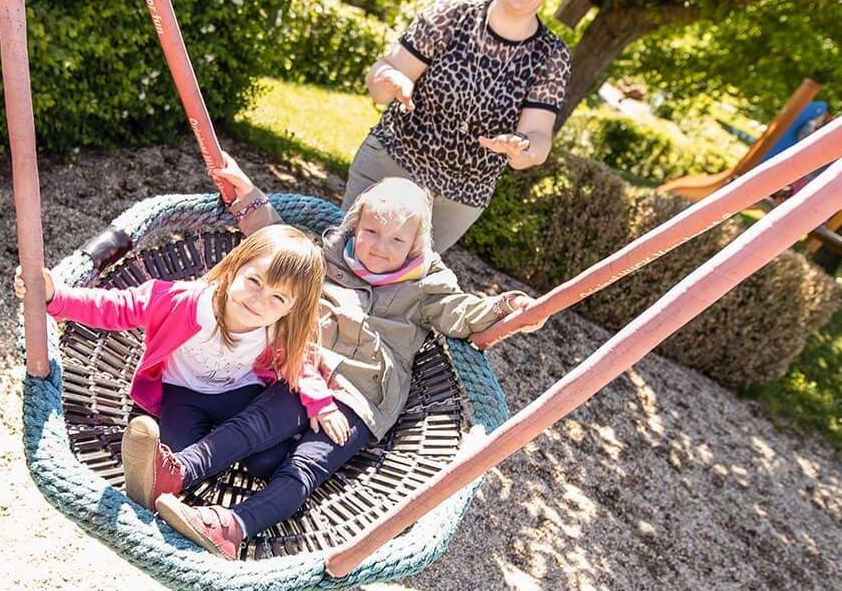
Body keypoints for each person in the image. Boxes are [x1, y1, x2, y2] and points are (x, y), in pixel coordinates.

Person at [126, 156, 542, 559]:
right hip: (306, 369)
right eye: (372, 232)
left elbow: (462, 313)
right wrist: (248, 195)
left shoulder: (426, 287)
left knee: (306, 469)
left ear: (416, 245)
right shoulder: (328, 258)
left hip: (362, 395)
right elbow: (276, 243)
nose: (380, 247)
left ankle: (232, 527)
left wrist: (504, 309)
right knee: (258, 423)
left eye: (397, 240)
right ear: (355, 224)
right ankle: (178, 470)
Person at [16, 225, 334, 507]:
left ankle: (253, 460)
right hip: (184, 394)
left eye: (278, 298)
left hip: (240, 393)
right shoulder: (181, 302)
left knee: (268, 462)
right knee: (173, 457)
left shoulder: (279, 329)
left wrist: (319, 402)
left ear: (291, 308)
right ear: (235, 267)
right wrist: (55, 297)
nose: (259, 300)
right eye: (254, 281)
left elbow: (301, 359)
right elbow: (115, 307)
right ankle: (204, 461)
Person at [348, 0, 578, 254]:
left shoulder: (551, 56)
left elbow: (539, 137)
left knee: (392, 296)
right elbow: (380, 81)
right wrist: (391, 80)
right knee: (340, 262)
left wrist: (522, 147)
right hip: (389, 165)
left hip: (456, 201)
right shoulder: (452, 13)